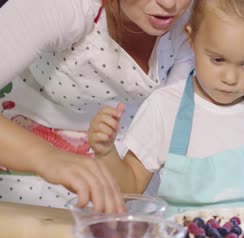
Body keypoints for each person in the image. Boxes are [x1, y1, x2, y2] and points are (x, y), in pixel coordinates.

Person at [89, 0, 244, 216]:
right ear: (191, 38)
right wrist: (106, 152)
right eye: (218, 59)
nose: (230, 78)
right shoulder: (164, 107)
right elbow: (130, 187)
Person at [0, 0, 193, 213]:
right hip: (19, 167)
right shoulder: (64, 6)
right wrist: (46, 157)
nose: (169, 3)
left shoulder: (192, 23)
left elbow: (169, 125)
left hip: (122, 180)